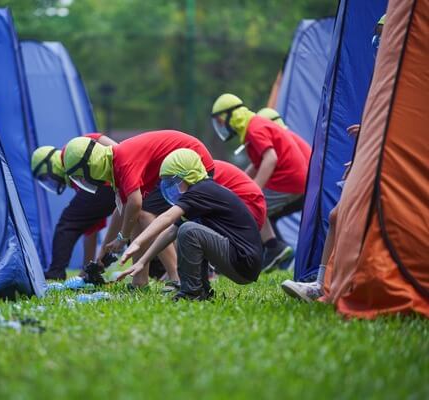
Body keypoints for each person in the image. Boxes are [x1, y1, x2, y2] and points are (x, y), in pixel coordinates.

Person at [280, 14, 386, 302]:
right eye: (376, 35)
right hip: (373, 162)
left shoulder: (405, 80)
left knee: (349, 218)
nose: (378, 43)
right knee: (338, 216)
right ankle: (324, 285)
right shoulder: (383, 80)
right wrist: (361, 154)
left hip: (389, 169)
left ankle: (338, 286)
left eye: (384, 35)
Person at [62, 130, 215, 289]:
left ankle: (177, 277)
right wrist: (102, 255)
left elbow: (135, 204)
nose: (83, 181)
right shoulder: (114, 166)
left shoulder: (122, 160)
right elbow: (122, 212)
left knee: (144, 214)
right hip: (177, 167)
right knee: (135, 215)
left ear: (91, 165)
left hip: (194, 163)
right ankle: (139, 282)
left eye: (81, 176)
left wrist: (122, 238)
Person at [116, 149, 263, 300]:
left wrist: (138, 242)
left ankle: (192, 292)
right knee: (187, 229)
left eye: (172, 181)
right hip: (242, 261)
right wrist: (142, 261)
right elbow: (170, 232)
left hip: (244, 262)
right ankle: (202, 290)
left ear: (188, 176)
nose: (168, 187)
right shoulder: (200, 194)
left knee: (189, 230)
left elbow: (167, 217)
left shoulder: (202, 190)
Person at [210, 94, 311, 272]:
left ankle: (271, 249)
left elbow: (270, 158)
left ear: (230, 116)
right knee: (249, 204)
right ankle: (273, 248)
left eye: (221, 120)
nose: (221, 126)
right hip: (290, 180)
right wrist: (235, 185)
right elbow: (257, 166)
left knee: (248, 205)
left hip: (287, 181)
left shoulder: (254, 128)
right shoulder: (253, 128)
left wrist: (252, 189)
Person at [31, 133, 117, 280]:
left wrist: (125, 163)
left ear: (51, 164)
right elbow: (91, 229)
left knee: (66, 224)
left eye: (48, 177)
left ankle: (55, 273)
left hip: (109, 183)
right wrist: (87, 271)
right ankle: (156, 269)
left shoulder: (71, 151)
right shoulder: (78, 180)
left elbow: (105, 141)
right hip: (113, 188)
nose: (51, 182)